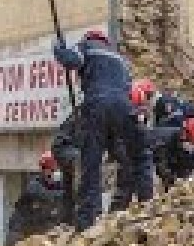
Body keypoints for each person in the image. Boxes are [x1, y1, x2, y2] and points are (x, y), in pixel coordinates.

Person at [54, 29, 152, 229]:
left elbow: (71, 60)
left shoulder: (86, 47)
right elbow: (127, 87)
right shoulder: (121, 59)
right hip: (124, 107)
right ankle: (148, 205)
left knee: (91, 164)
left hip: (96, 105)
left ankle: (87, 221)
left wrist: (59, 48)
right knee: (140, 156)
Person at [5, 152, 71, 246]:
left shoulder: (58, 185)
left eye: (55, 170)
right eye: (51, 170)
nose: (54, 173)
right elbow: (48, 195)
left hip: (39, 229)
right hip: (20, 229)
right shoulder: (34, 185)